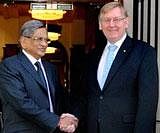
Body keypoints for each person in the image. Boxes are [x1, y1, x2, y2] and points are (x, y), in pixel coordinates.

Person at [72, 2, 159, 133]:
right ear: (100, 25)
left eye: (117, 19)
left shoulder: (144, 52)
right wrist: (73, 116)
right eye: (106, 20)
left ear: (126, 22)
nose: (111, 24)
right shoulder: (92, 56)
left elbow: (148, 102)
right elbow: (85, 95)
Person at [0, 20, 78, 133]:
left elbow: (61, 99)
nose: (45, 44)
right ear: (23, 42)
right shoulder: (9, 66)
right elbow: (21, 103)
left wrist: (73, 117)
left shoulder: (50, 69)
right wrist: (57, 121)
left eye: (46, 40)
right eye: (39, 39)